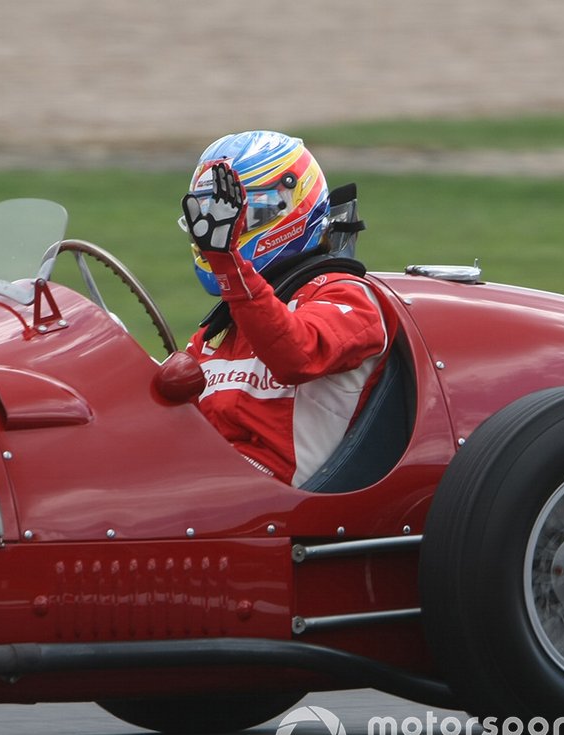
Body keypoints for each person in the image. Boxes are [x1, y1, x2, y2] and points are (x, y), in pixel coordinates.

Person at [155, 130, 394, 487]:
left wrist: (228, 263)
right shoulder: (220, 329)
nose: (218, 231)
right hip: (205, 487)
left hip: (280, 508)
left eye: (236, 215)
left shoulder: (348, 297)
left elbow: (296, 355)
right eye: (209, 218)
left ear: (289, 205)